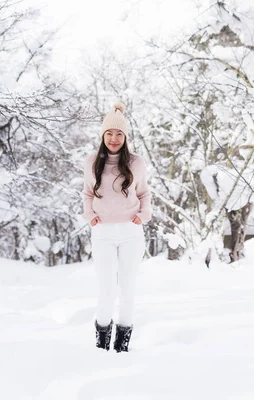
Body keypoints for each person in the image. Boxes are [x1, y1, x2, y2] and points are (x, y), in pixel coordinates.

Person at [82, 103, 152, 353]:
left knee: (128, 288)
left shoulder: (136, 163)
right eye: (109, 133)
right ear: (103, 135)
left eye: (119, 134)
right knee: (106, 289)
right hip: (102, 234)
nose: (114, 138)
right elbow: (88, 194)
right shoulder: (92, 163)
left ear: (125, 137)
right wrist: (89, 215)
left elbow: (144, 193)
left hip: (131, 233)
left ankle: (122, 348)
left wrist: (142, 216)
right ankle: (101, 347)